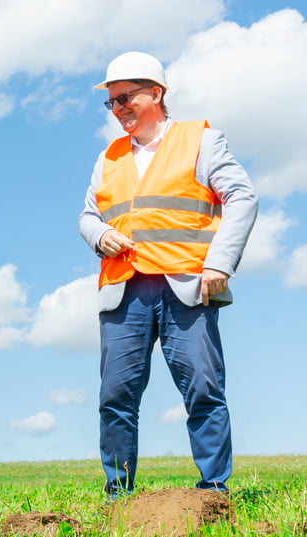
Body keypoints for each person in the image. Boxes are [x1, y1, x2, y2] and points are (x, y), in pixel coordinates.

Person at [78, 51, 258, 498]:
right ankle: (118, 494)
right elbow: (87, 215)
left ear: (156, 93)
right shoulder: (108, 158)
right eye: (111, 102)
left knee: (202, 389)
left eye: (125, 98)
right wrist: (100, 235)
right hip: (125, 291)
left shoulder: (201, 140)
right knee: (115, 397)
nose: (118, 109)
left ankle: (212, 490)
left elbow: (242, 197)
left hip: (186, 288)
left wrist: (219, 262)